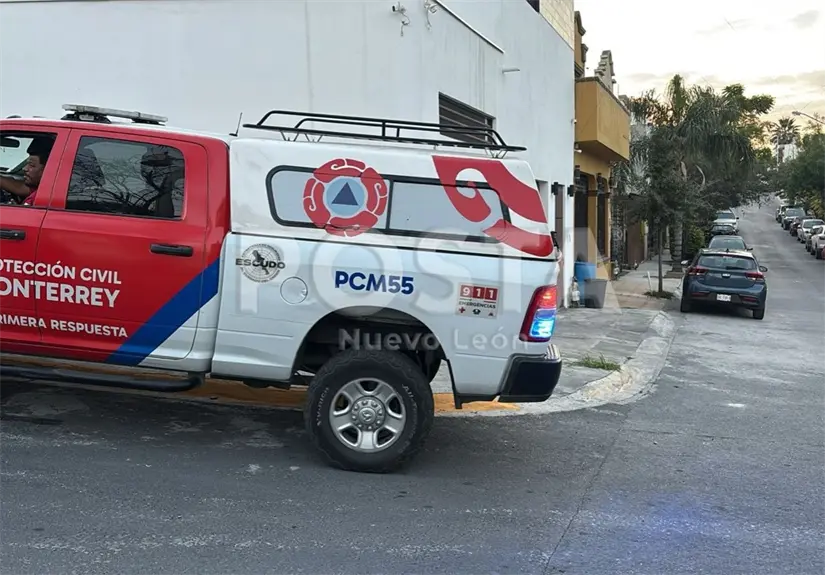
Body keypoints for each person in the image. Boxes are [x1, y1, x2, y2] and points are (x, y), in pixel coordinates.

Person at [0, 138, 54, 206]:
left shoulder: (36, 199)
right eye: (27, 164)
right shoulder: (45, 189)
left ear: (47, 169)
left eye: (31, 165)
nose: (24, 168)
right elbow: (19, 187)